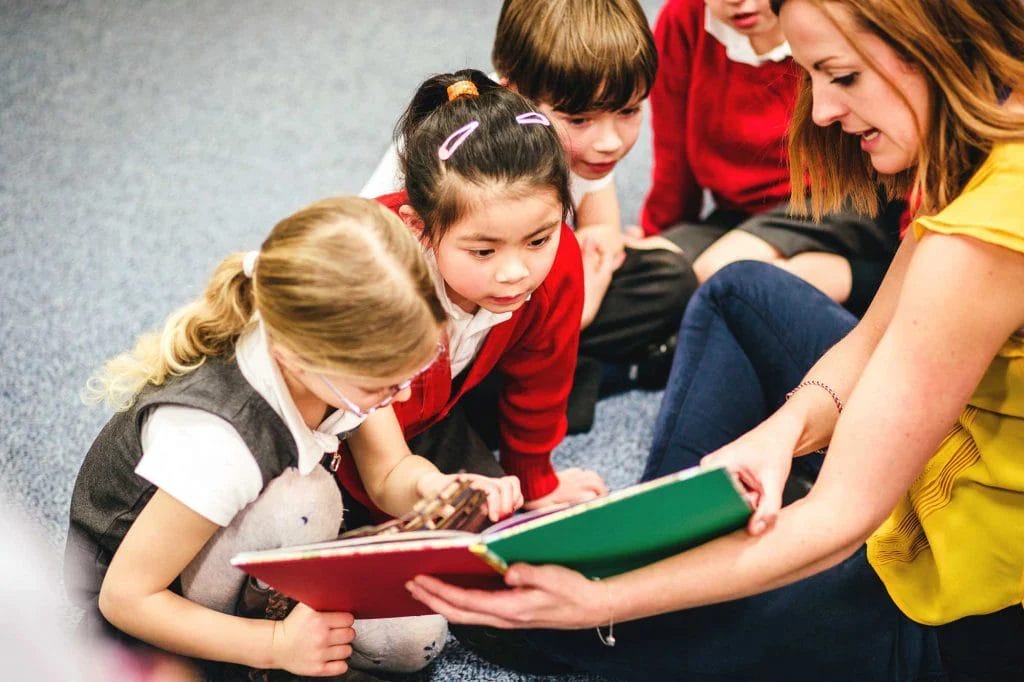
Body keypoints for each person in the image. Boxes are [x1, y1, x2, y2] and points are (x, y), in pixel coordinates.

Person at [405, 1, 1024, 679]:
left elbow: (841, 518)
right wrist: (786, 430)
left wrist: (607, 600)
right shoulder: (984, 145)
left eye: (842, 76)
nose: (821, 111)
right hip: (917, 469)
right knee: (736, 292)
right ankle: (659, 541)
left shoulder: (983, 239)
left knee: (511, 613)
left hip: (946, 607)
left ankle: (651, 581)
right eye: (813, 76)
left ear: (932, 43)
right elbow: (875, 338)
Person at [64, 197, 522, 679]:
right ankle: (232, 658)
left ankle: (272, 637)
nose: (404, 392)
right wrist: (274, 645)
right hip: (150, 604)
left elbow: (389, 472)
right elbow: (126, 598)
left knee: (415, 637)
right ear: (300, 359)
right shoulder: (218, 441)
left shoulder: (335, 362)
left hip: (244, 546)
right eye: (385, 382)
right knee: (306, 501)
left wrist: (436, 488)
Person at [363, 0, 696, 407]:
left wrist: (594, 261)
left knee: (669, 278)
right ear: (514, 92)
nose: (609, 142)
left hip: (516, 287)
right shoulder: (455, 147)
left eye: (628, 111)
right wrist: (574, 311)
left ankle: (552, 374)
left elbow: (600, 226)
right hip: (439, 318)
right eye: (580, 120)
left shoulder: (581, 146)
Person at [336, 70, 607, 531]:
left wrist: (535, 481)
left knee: (494, 520)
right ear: (417, 227)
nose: (515, 272)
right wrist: (420, 504)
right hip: (326, 434)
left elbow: (543, 380)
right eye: (484, 251)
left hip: (426, 421)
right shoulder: (370, 278)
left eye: (538, 240)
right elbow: (383, 471)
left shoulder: (559, 258)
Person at [641, 0, 903, 316]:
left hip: (836, 200)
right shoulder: (683, 20)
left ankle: (871, 278)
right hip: (738, 214)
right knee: (645, 270)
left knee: (721, 274)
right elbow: (672, 156)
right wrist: (658, 233)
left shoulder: (822, 16)